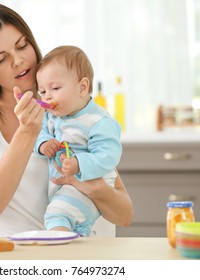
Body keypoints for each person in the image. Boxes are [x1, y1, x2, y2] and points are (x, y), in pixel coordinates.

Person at [0, 2, 133, 237]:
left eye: (22, 46)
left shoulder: (65, 106)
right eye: (0, 59)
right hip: (13, 260)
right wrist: (27, 132)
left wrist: (88, 185)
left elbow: (124, 214)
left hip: (77, 257)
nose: (18, 61)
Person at [34, 45, 122, 236]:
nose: (47, 96)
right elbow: (38, 133)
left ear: (82, 87)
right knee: (71, 223)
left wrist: (79, 164)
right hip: (63, 188)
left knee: (56, 217)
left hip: (88, 186)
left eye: (55, 88)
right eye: (41, 91)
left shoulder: (98, 121)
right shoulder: (52, 117)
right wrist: (43, 144)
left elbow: (108, 156)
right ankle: (78, 239)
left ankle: (63, 254)